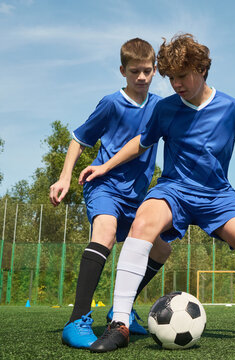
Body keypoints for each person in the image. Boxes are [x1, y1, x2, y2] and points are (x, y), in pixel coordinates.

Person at [78, 33, 235, 353]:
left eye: (181, 76)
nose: (175, 84)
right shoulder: (164, 109)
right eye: (171, 77)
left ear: (202, 69)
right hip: (173, 189)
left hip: (217, 195)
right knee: (142, 225)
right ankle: (119, 323)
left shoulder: (232, 108)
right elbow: (142, 142)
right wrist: (105, 166)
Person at [49, 38, 172, 349]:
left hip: (136, 196)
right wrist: (64, 178)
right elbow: (79, 139)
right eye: (135, 72)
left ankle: (124, 309)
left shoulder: (160, 106)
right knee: (105, 231)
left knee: (161, 251)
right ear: (122, 71)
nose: (141, 77)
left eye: (147, 71)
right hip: (103, 185)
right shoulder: (111, 104)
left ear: (155, 70)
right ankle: (76, 320)